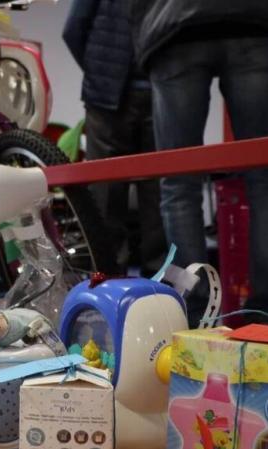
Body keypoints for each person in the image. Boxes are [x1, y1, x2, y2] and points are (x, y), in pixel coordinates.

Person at [129, 1, 268, 326]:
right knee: (263, 180)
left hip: (173, 25)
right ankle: (263, 313)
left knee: (178, 184)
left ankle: (195, 311)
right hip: (253, 21)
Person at [63, 0, 167, 277]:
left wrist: (100, 74)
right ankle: (160, 284)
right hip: (154, 91)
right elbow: (73, 31)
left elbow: (74, 28)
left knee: (107, 195)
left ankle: (109, 279)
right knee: (159, 193)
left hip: (118, 95)